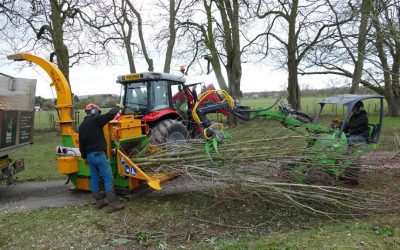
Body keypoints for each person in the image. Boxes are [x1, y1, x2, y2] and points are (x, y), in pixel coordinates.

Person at [79, 103, 124, 213]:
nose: (99, 113)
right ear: (94, 112)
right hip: (99, 154)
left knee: (94, 178)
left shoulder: (82, 126)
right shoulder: (96, 120)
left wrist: (84, 156)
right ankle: (112, 204)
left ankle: (99, 201)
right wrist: (118, 107)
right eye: (98, 111)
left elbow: (81, 144)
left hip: (89, 156)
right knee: (108, 177)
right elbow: (111, 114)